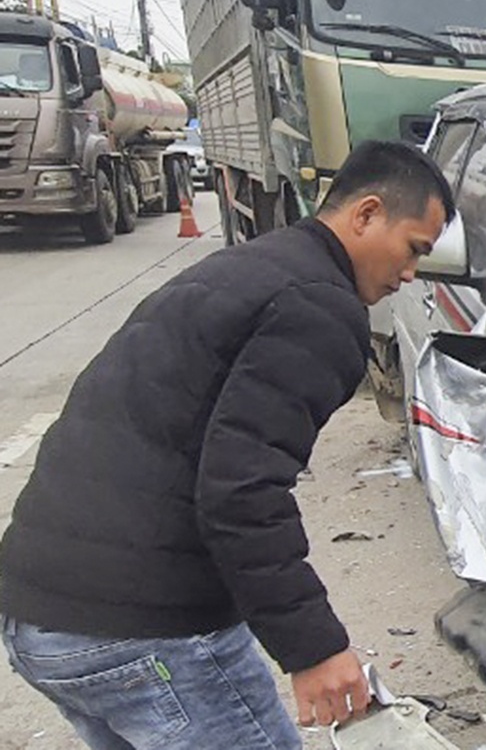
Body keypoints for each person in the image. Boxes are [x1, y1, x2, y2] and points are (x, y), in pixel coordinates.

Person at [0, 140, 453, 749]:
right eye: (413, 250)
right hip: (141, 631)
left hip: (43, 617)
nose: (408, 275)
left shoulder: (258, 266)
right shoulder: (319, 306)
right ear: (366, 214)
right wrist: (314, 648)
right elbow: (243, 491)